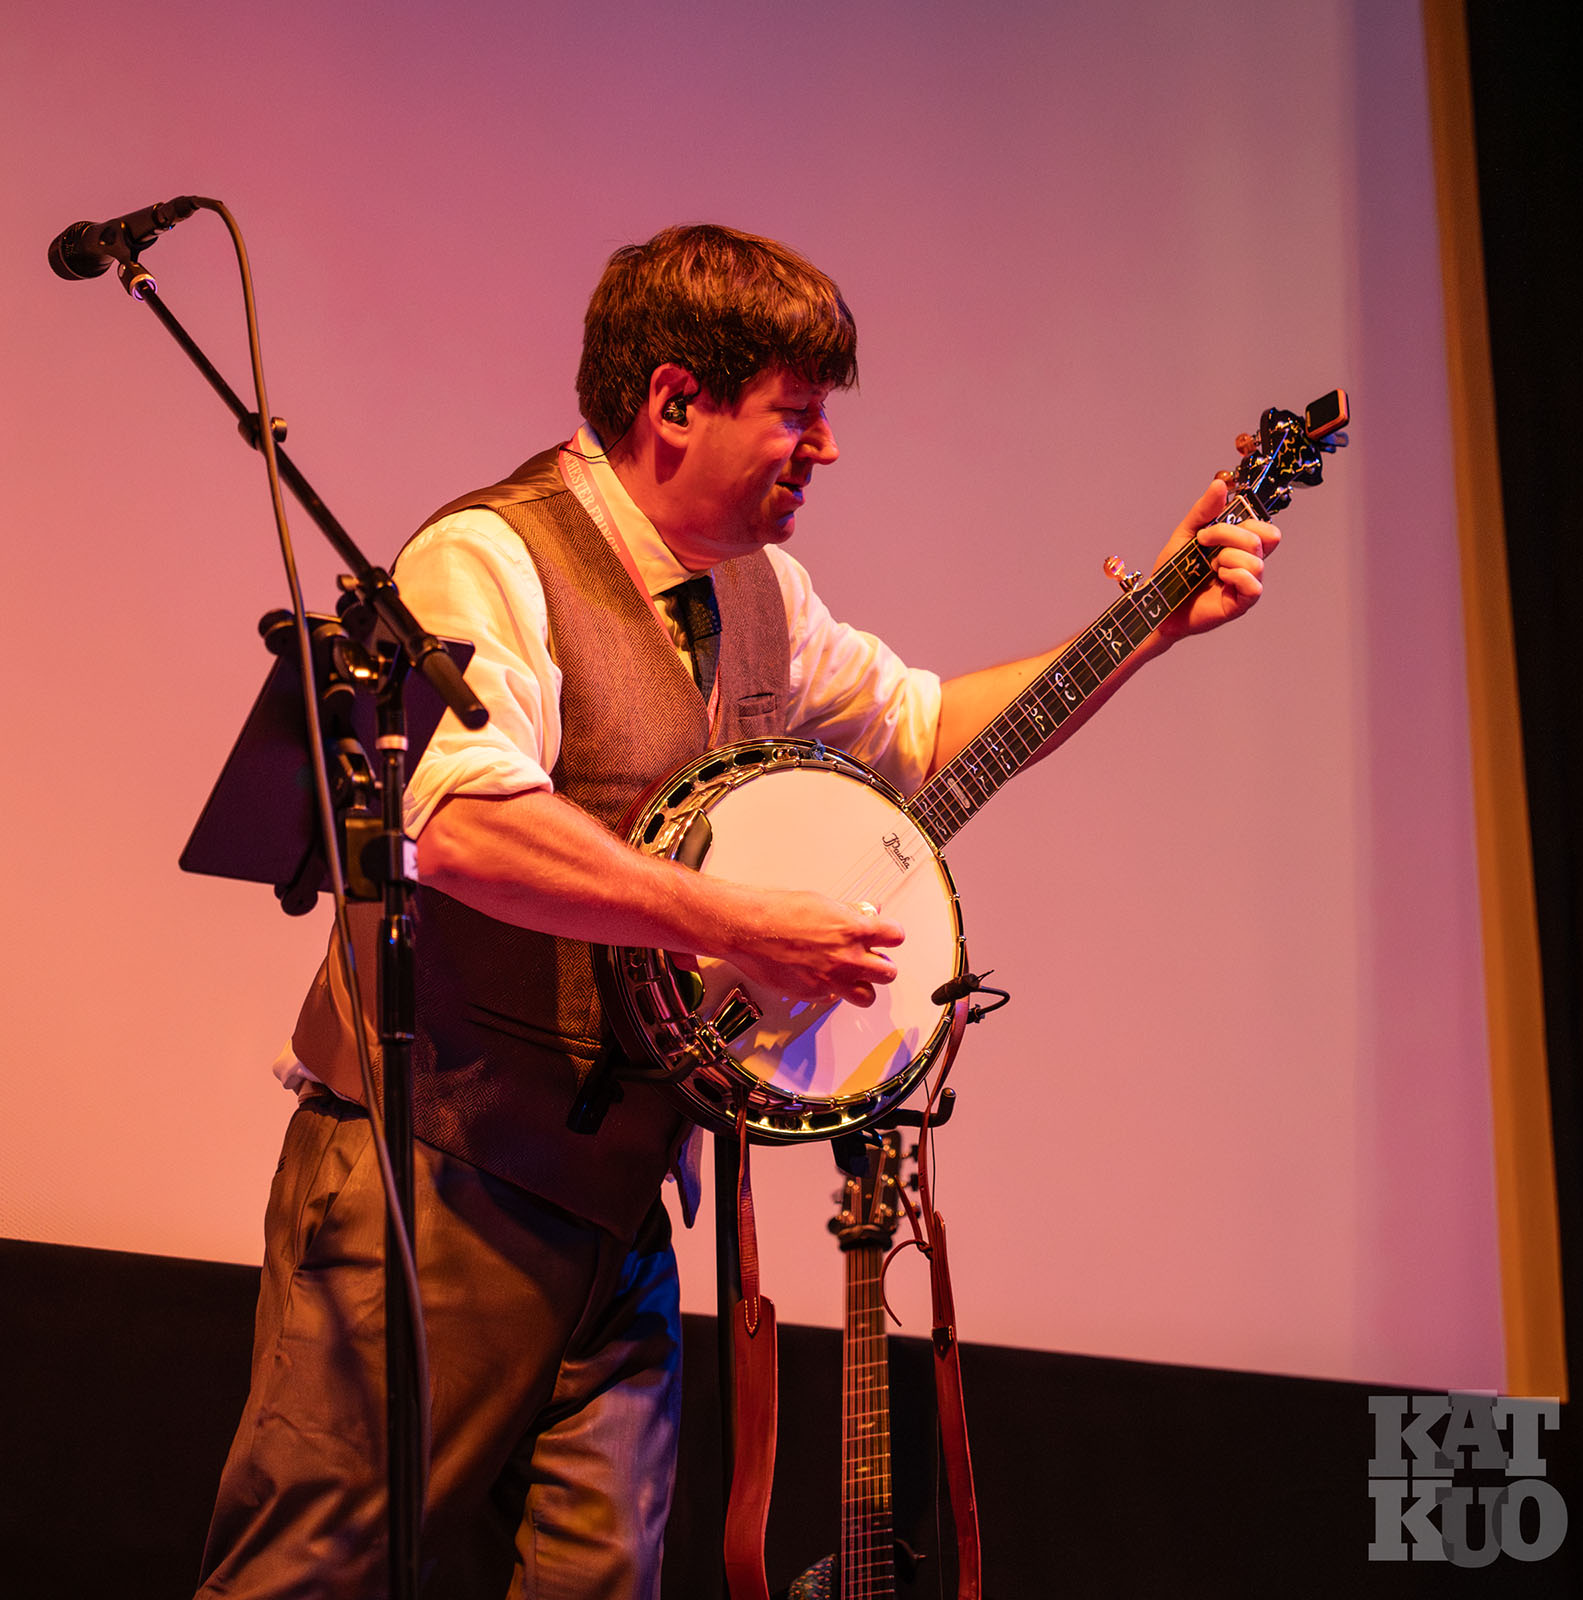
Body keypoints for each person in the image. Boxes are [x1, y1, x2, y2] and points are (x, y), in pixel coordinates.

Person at [195, 224, 1278, 1597]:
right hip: (437, 1171)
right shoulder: (492, 557)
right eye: (797, 415)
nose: (825, 449)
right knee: (313, 1574)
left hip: (621, 1209)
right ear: (673, 402)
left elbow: (926, 733)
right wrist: (736, 922)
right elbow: (459, 820)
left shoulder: (760, 594)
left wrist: (1150, 622)